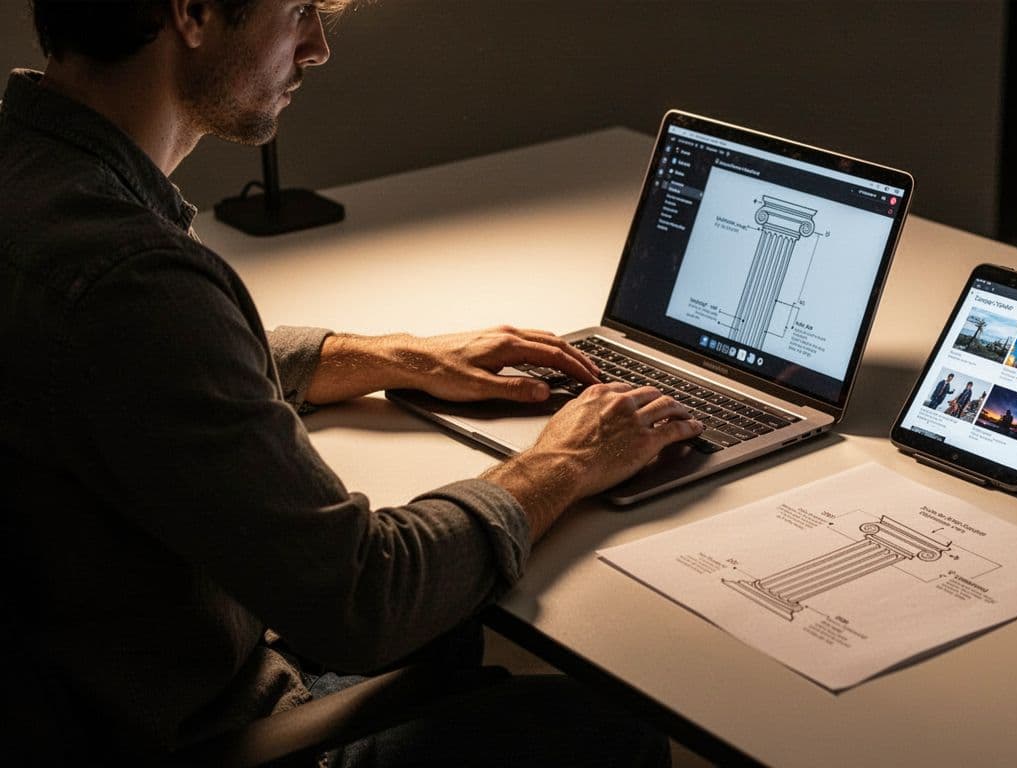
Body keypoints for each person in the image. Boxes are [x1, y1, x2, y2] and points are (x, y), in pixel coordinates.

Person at [0, 1, 700, 764]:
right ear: (194, 12)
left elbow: (142, 370)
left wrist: (394, 357)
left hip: (92, 687)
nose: (317, 48)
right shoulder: (131, 281)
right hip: (200, 727)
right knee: (603, 723)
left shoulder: (38, 187)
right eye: (298, 9)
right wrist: (564, 462)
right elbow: (366, 601)